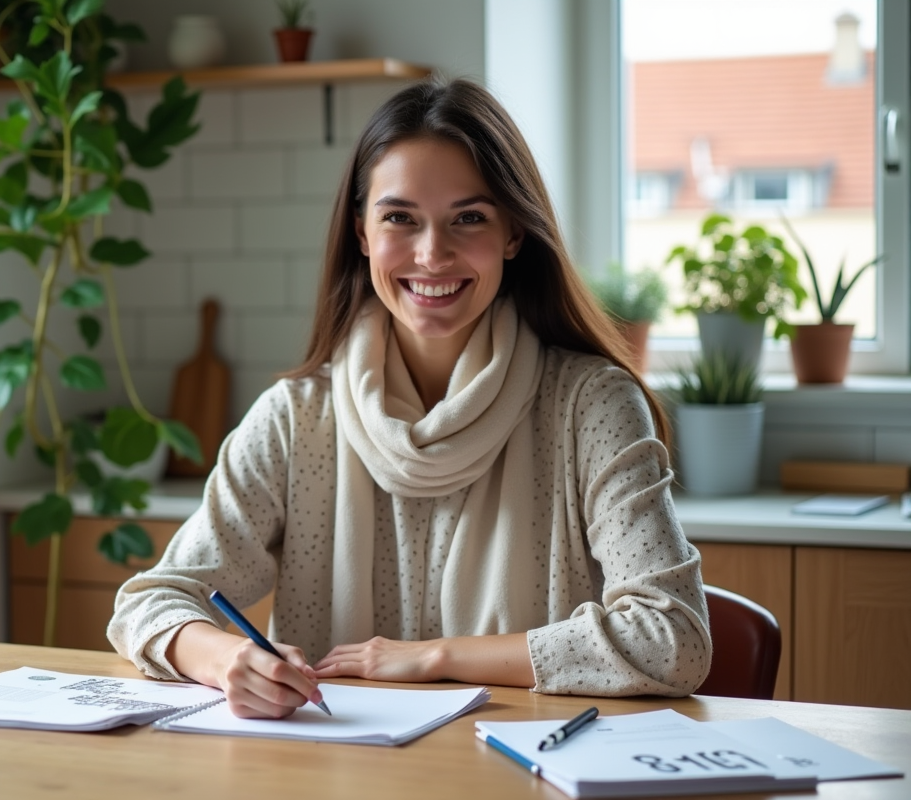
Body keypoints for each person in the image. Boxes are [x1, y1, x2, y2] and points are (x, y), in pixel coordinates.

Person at [109, 78, 711, 719]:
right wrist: (225, 661)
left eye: (469, 218)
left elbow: (673, 640)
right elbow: (150, 601)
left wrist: (435, 656)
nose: (432, 254)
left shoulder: (592, 405)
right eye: (400, 218)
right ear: (362, 233)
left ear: (513, 234)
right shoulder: (295, 418)